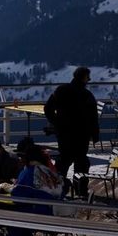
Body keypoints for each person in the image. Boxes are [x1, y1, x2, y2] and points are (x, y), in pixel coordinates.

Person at [44, 66, 98, 197]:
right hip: (82, 135)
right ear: (84, 78)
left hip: (64, 134)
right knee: (81, 163)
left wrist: (56, 122)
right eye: (88, 77)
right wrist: (94, 134)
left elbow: (47, 108)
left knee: (63, 162)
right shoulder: (87, 95)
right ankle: (81, 190)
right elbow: (93, 117)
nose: (89, 80)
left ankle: (56, 188)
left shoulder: (61, 90)